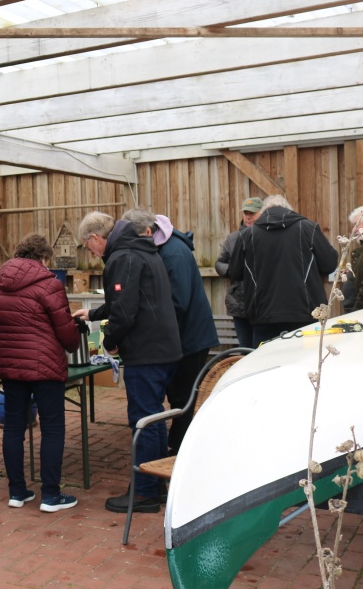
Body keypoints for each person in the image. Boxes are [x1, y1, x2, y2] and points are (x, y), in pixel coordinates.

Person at [73, 212, 181, 514]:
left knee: (142, 421)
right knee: (154, 419)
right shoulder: (143, 249)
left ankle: (144, 492)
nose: (92, 253)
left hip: (146, 352)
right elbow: (130, 299)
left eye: (88, 247)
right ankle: (156, 485)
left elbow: (124, 311)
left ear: (96, 238)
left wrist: (109, 343)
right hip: (164, 348)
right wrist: (93, 314)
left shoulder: (122, 257)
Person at [0, 234, 82, 513]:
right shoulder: (50, 284)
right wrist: (75, 338)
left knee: (14, 427)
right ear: (43, 257)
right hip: (45, 366)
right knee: (52, 427)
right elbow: (66, 332)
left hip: (11, 364)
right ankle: (51, 495)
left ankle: (17, 492)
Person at [141, 210, 219, 456]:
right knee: (181, 397)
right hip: (187, 335)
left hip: (191, 338)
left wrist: (149, 325)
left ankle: (180, 452)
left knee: (184, 399)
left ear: (149, 231)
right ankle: (179, 446)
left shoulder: (173, 253)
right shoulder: (167, 247)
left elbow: (178, 302)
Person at [228, 195, 339, 346]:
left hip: (263, 314)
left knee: (266, 359)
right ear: (289, 209)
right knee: (305, 359)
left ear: (263, 212)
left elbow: (235, 272)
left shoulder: (247, 235)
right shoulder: (308, 228)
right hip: (306, 313)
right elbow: (329, 264)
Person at [214, 197, 263, 348]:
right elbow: (219, 263)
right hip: (239, 303)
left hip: (262, 304)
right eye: (245, 213)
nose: (248, 217)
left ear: (262, 214)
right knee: (245, 349)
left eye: (252, 213)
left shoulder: (267, 237)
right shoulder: (233, 238)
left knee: (261, 349)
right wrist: (233, 270)